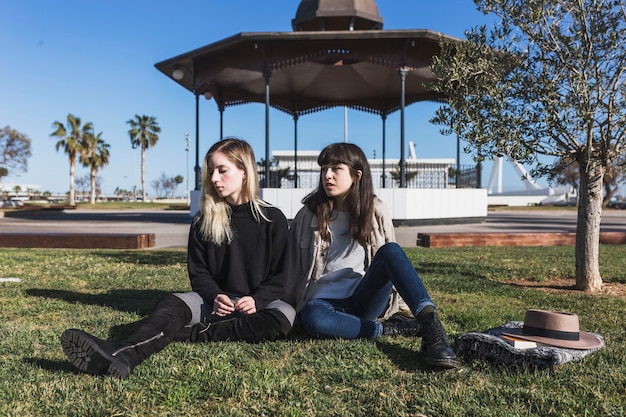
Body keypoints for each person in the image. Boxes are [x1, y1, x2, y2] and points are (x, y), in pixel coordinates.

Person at [61, 138, 294, 378]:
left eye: (222, 171)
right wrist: (215, 296)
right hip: (214, 303)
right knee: (171, 304)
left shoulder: (272, 219)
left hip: (256, 306)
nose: (214, 178)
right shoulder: (204, 220)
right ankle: (126, 355)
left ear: (244, 172)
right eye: (211, 171)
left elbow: (281, 276)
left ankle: (179, 332)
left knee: (283, 318)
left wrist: (257, 300)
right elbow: (199, 273)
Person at [286, 142, 457, 369]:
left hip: (364, 298)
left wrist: (404, 309)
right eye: (323, 168)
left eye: (336, 168)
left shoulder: (376, 210)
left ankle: (432, 328)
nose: (327, 175)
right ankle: (387, 329)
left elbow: (393, 266)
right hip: (321, 303)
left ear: (356, 175)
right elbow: (291, 267)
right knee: (314, 319)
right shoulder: (308, 214)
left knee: (391, 251)